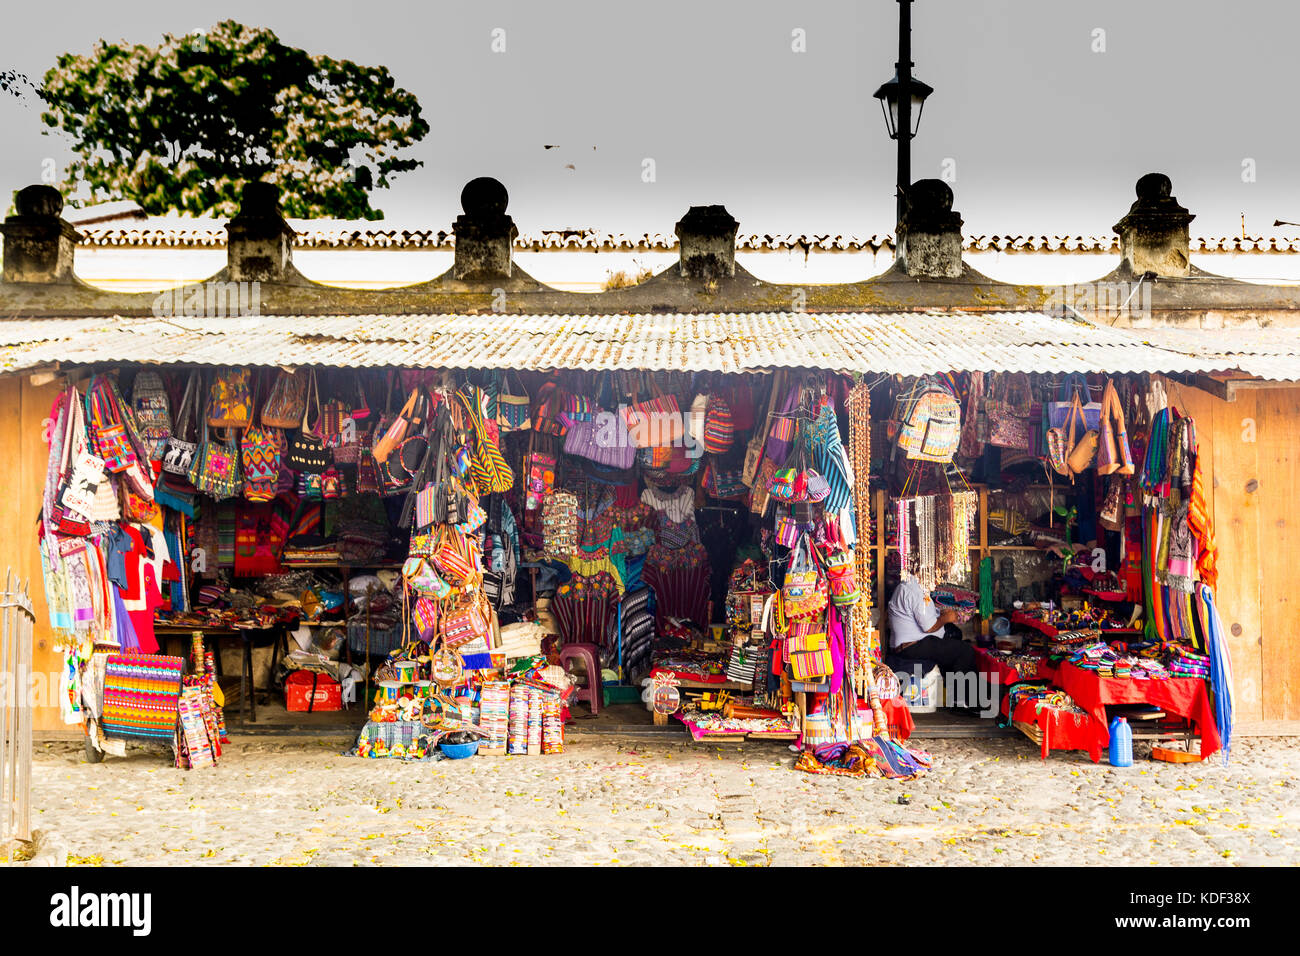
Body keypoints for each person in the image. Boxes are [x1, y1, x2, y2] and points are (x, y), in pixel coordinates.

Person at [887, 576, 977, 679]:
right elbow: (928, 627)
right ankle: (964, 694)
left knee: (955, 633)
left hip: (913, 642)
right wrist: (946, 617)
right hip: (911, 646)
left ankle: (950, 687)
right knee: (965, 650)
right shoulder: (915, 589)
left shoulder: (912, 585)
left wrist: (941, 613)